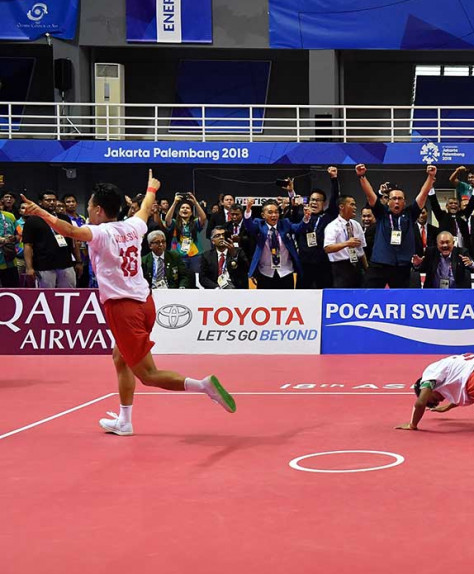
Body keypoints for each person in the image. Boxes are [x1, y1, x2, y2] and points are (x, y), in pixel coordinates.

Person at [18, 172, 236, 437]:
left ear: (98, 210)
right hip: (145, 303)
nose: (88, 210)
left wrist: (39, 211)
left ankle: (203, 386)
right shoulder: (133, 225)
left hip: (124, 309)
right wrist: (152, 188)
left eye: (89, 206)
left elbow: (70, 230)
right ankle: (125, 420)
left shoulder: (99, 233)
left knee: (148, 374)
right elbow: (145, 208)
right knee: (119, 357)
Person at [358, 164, 436, 288]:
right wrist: (362, 176)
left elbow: (423, 194)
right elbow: (370, 194)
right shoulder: (381, 213)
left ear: (404, 202)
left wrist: (431, 177)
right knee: (369, 296)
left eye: (400, 199)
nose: (397, 201)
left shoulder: (410, 214)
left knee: (401, 299)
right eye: (394, 198)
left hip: (402, 266)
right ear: (388, 201)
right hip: (379, 264)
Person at [290, 169, 340, 289]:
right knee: (302, 295)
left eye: (318, 200)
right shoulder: (302, 217)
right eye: (312, 200)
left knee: (323, 294)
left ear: (324, 203)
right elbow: (292, 219)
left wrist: (334, 179)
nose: (314, 203)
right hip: (304, 264)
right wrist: (292, 196)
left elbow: (335, 199)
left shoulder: (329, 216)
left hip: (323, 264)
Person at [21, 190, 80, 288]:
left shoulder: (64, 218)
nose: (52, 202)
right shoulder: (32, 220)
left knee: (69, 295)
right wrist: (29, 268)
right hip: (44, 266)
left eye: (54, 200)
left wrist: (78, 261)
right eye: (48, 200)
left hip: (66, 264)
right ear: (40, 202)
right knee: (46, 296)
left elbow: (73, 242)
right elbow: (28, 245)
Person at [243, 198, 304, 289]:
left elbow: (298, 228)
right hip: (265, 272)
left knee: (286, 302)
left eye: (276, 212)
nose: (274, 215)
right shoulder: (259, 224)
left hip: (286, 272)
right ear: (263, 215)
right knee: (265, 302)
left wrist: (306, 219)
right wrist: (248, 210)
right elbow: (250, 227)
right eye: (270, 212)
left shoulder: (285, 223)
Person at [323, 194, 367, 288]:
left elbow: (361, 250)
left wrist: (366, 268)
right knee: (343, 297)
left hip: (357, 265)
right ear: (341, 207)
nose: (355, 207)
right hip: (341, 267)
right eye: (352, 204)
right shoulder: (332, 226)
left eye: (355, 205)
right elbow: (327, 248)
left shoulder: (356, 225)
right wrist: (347, 243)